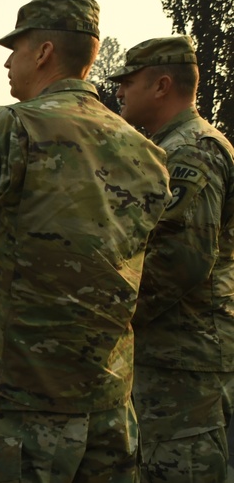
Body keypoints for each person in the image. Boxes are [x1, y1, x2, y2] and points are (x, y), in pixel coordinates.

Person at [0, 0, 171, 483]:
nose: (7, 60)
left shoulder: (14, 127)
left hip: (17, 402)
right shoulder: (148, 154)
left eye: (15, 47)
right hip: (108, 403)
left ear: (42, 53)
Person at [109, 35, 234, 482]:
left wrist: (114, 319)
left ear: (161, 86)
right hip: (172, 348)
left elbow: (181, 259)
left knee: (181, 468)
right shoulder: (171, 147)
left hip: (183, 353)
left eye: (128, 81)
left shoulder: (191, 151)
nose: (119, 90)